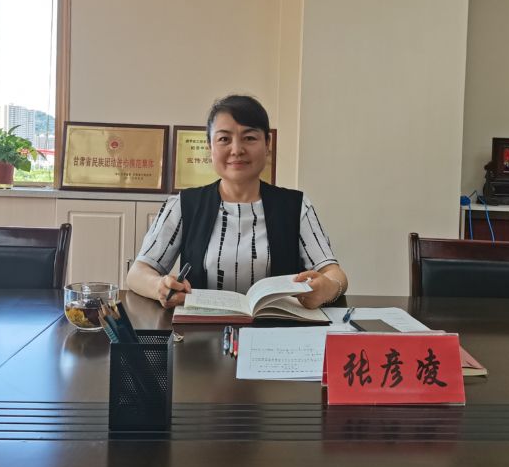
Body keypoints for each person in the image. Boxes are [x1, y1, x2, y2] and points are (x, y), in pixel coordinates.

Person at [126, 95, 348, 309]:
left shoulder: (296, 206)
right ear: (210, 147)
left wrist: (328, 288)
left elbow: (334, 273)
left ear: (267, 144)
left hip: (279, 330)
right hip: (201, 331)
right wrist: (159, 286)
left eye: (249, 138)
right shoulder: (183, 205)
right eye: (224, 139)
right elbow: (137, 273)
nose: (237, 150)